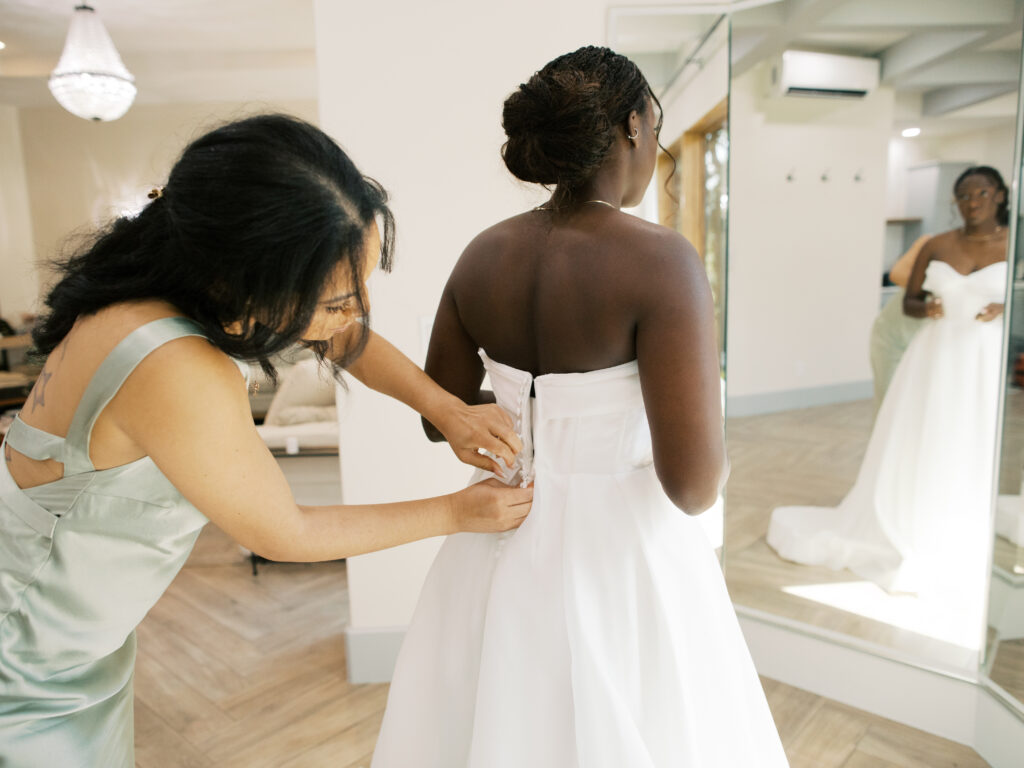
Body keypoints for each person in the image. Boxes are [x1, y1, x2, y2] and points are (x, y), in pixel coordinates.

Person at [0, 114, 533, 767]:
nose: (358, 311)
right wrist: (455, 513)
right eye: (338, 298)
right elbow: (283, 532)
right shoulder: (172, 364)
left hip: (75, 629)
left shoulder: (161, 280)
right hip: (27, 647)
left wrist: (445, 408)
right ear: (246, 280)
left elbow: (340, 339)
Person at [372, 47, 788, 767]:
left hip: (495, 536)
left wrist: (528, 425)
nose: (655, 146)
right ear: (632, 125)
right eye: (656, 128)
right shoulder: (661, 261)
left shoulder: (482, 254)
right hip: (620, 555)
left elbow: (436, 412)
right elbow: (692, 487)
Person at [768, 166, 1009, 631]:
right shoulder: (937, 244)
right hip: (935, 354)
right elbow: (909, 301)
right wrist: (931, 307)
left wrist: (1007, 306)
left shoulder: (1013, 241)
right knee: (923, 433)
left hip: (983, 357)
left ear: (998, 195)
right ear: (955, 202)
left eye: (981, 191)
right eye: (963, 194)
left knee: (973, 436)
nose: (972, 200)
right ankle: (914, 509)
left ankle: (961, 517)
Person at [870, 233, 930, 410]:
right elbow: (897, 274)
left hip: (928, 340)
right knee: (890, 405)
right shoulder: (931, 242)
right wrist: (945, 287)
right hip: (893, 336)